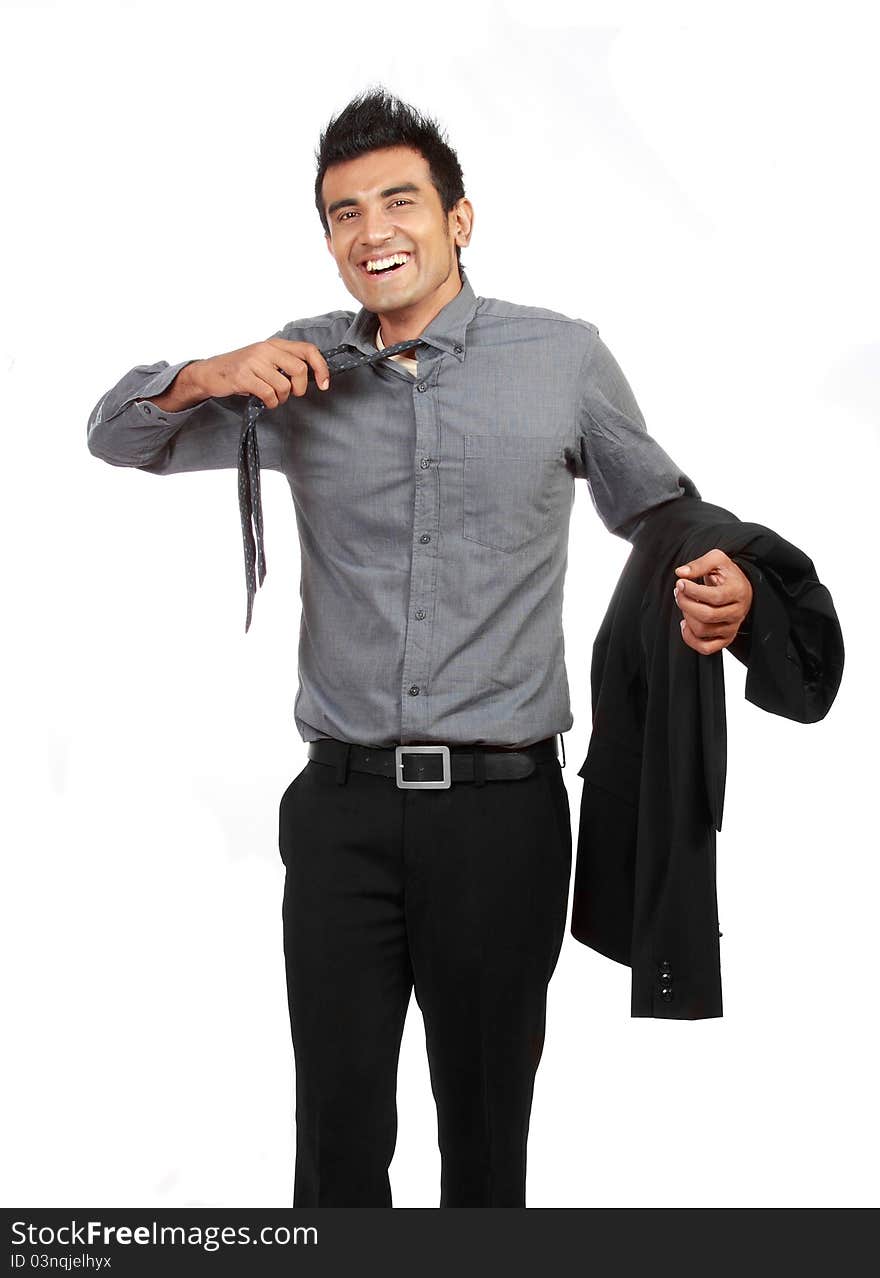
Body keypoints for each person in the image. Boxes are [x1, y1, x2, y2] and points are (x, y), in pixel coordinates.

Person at [86, 88, 753, 1208]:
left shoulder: (562, 358)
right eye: (344, 213)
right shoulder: (294, 366)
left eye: (400, 201)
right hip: (339, 813)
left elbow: (657, 506)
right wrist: (205, 372)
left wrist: (722, 569)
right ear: (330, 239)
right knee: (336, 1145)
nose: (373, 230)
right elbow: (115, 437)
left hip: (503, 816)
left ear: (460, 220)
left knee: (485, 1148)